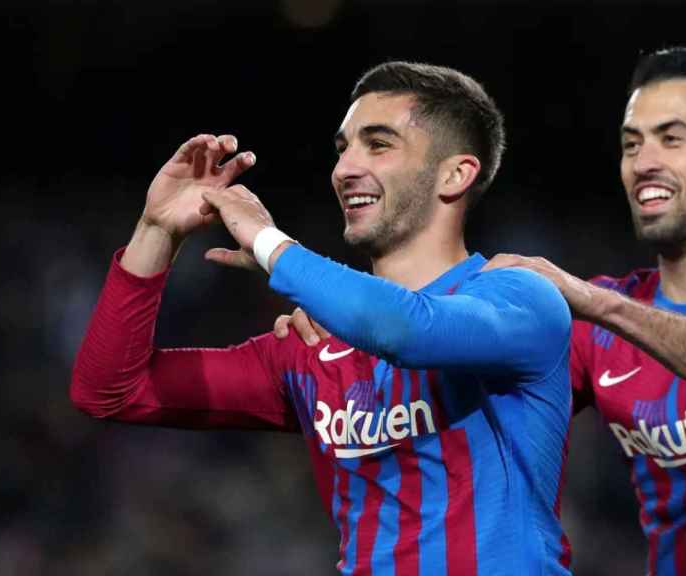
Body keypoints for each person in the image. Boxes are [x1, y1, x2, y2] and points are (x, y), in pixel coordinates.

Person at [279, 47, 686, 575]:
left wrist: (599, 304)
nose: (644, 161)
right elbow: (453, 375)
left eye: (671, 139)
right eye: (631, 144)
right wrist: (335, 340)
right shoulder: (589, 332)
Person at [71, 61, 574, 575]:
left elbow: (403, 329)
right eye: (343, 148)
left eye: (378, 144)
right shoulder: (312, 346)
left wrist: (270, 244)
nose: (344, 169)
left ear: (455, 174)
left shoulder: (522, 300)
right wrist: (157, 229)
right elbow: (111, 389)